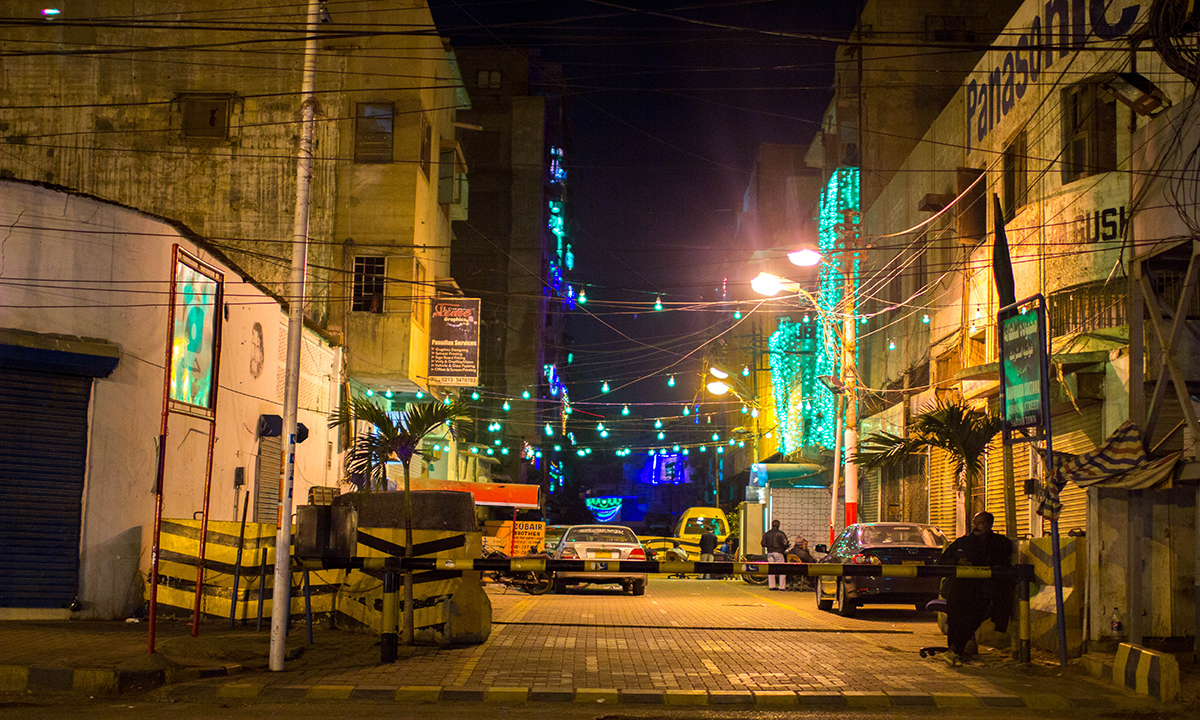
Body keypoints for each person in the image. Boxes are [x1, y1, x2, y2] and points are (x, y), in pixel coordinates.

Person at [939, 511, 1014, 666]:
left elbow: (1000, 562)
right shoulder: (963, 542)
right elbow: (944, 559)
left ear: (990, 525)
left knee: (973, 617)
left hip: (983, 590)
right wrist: (958, 562)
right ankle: (954, 650)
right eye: (975, 522)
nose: (976, 526)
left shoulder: (999, 543)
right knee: (955, 618)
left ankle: (954, 650)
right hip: (959, 588)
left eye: (981, 523)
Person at [761, 519, 789, 590]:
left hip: (770, 552)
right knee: (782, 570)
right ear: (779, 525)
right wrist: (784, 547)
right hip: (779, 552)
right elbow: (785, 543)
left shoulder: (767, 534)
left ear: (772, 525)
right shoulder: (781, 534)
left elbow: (763, 543)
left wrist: (769, 546)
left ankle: (772, 586)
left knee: (771, 569)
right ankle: (781, 586)